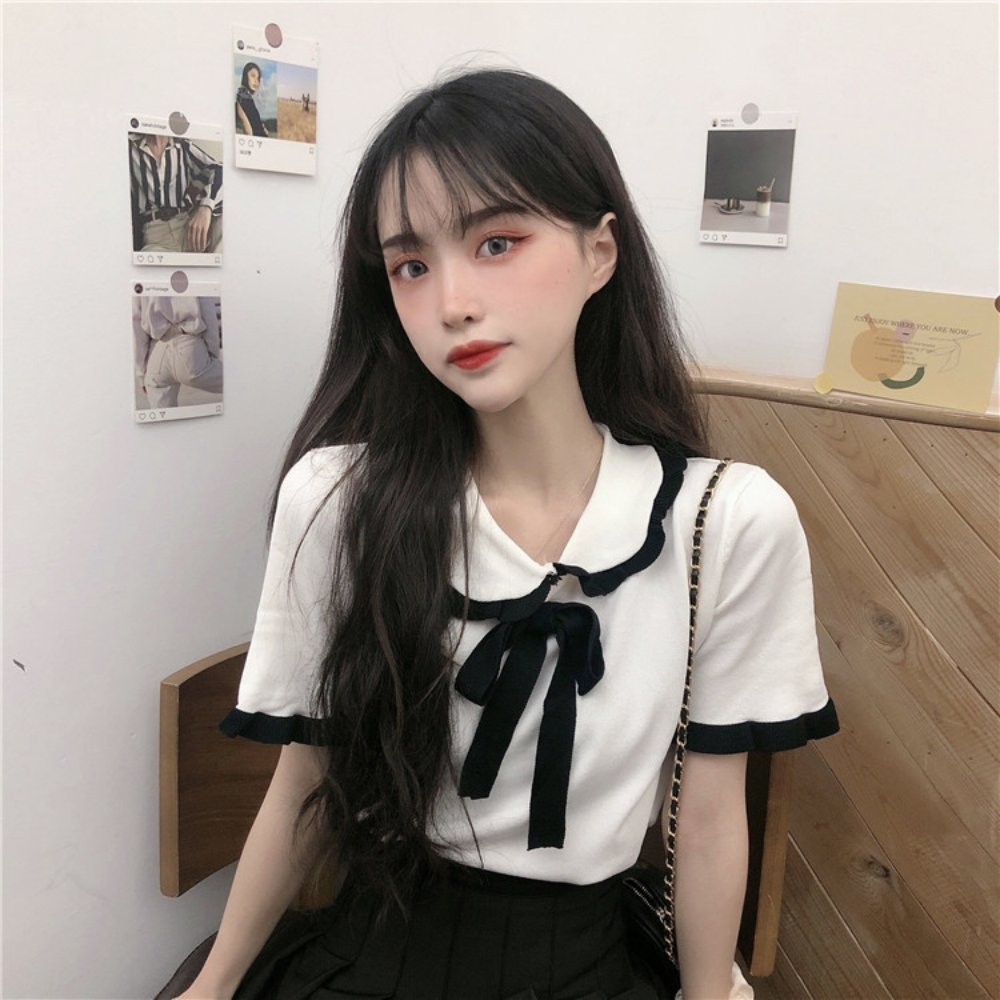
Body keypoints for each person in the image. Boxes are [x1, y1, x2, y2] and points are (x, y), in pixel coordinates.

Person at [175, 69, 838, 1000]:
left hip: (591, 962)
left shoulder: (726, 521)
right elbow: (306, 781)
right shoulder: (339, 498)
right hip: (378, 955)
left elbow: (711, 815)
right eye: (411, 265)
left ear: (600, 252)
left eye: (497, 242)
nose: (451, 301)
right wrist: (210, 989)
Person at [129, 132, 223, 254]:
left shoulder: (182, 146)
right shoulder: (130, 146)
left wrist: (206, 207)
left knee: (225, 223)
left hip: (188, 227)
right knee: (150, 261)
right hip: (156, 235)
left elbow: (219, 169)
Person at [133, 295, 222, 408]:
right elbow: (208, 314)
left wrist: (141, 373)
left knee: (163, 417)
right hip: (190, 345)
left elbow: (136, 325)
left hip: (158, 351)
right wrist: (212, 354)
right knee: (237, 382)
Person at [236, 63, 269, 138]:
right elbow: (248, 129)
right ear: (245, 76)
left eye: (258, 78)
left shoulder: (245, 96)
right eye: (253, 76)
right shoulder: (243, 98)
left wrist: (261, 127)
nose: (256, 81)